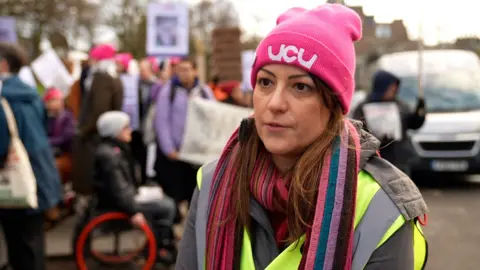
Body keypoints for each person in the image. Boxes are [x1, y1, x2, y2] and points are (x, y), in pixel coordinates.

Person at [176, 4, 428, 270]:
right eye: (265, 82)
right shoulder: (211, 183)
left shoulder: (383, 206)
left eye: (300, 87)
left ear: (333, 105)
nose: (275, 103)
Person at [0, 42, 62, 270]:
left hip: (15, 183)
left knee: (19, 248)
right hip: (40, 177)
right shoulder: (32, 95)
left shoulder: (3, 97)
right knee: (33, 244)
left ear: (3, 64)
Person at [93, 111, 177, 264]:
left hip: (126, 197)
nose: (129, 130)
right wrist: (134, 211)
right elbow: (119, 190)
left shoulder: (115, 149)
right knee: (167, 206)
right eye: (125, 127)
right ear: (115, 130)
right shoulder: (109, 155)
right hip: (117, 205)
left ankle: (159, 242)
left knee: (164, 198)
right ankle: (159, 247)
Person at [155, 57, 215, 211]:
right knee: (176, 191)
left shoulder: (204, 91)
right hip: (177, 152)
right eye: (180, 70)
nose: (184, 73)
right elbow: (162, 121)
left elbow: (213, 119)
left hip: (197, 153)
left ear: (195, 71)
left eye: (187, 69)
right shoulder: (168, 91)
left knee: (196, 192)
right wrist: (168, 148)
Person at [72, 44, 124, 196]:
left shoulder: (101, 78)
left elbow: (98, 111)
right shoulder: (114, 77)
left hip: (94, 137)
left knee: (89, 179)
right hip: (105, 135)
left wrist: (82, 131)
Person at [352, 70, 426, 174]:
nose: (394, 91)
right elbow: (357, 131)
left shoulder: (400, 105)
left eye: (395, 88)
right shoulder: (363, 107)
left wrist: (420, 113)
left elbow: (412, 124)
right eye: (391, 88)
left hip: (400, 160)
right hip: (376, 160)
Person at [44, 87, 76, 184]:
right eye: (53, 100)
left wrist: (47, 142)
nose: (57, 103)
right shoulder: (46, 117)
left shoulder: (67, 117)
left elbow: (65, 138)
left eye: (58, 100)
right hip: (49, 152)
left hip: (64, 154)